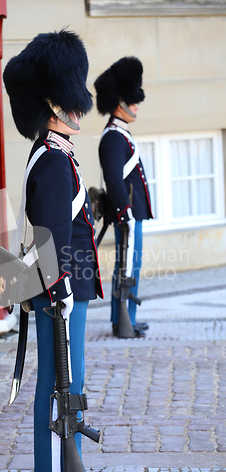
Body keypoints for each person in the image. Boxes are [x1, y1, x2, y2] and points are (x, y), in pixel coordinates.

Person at [3, 30, 110, 472]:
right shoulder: (50, 160)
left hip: (66, 288)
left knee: (70, 380)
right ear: (53, 101)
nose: (80, 106)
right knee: (57, 381)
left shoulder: (56, 153)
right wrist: (61, 289)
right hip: (60, 290)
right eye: (72, 98)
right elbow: (49, 239)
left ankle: (68, 468)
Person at [94, 57, 153, 339]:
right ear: (120, 103)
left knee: (131, 265)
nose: (136, 106)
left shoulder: (120, 135)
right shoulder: (113, 138)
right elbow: (114, 180)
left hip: (131, 213)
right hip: (127, 215)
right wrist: (125, 213)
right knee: (127, 266)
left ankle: (127, 318)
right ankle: (123, 322)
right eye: (132, 102)